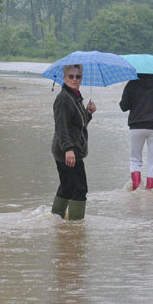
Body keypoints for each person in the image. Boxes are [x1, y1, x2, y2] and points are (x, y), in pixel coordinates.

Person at [51, 64, 96, 219]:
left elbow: (77, 125)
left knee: (67, 187)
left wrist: (88, 113)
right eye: (71, 76)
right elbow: (61, 127)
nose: (75, 79)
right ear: (64, 78)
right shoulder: (64, 98)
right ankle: (76, 229)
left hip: (68, 149)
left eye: (78, 76)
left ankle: (56, 221)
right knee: (80, 189)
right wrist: (68, 149)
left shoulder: (75, 96)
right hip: (68, 151)